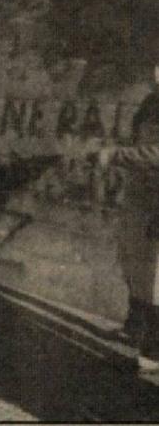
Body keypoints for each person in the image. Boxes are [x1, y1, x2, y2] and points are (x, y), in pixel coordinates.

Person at [99, 57, 159, 376]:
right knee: (133, 261)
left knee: (157, 275)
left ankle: (154, 352)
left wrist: (117, 155)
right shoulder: (152, 101)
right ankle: (136, 325)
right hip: (141, 196)